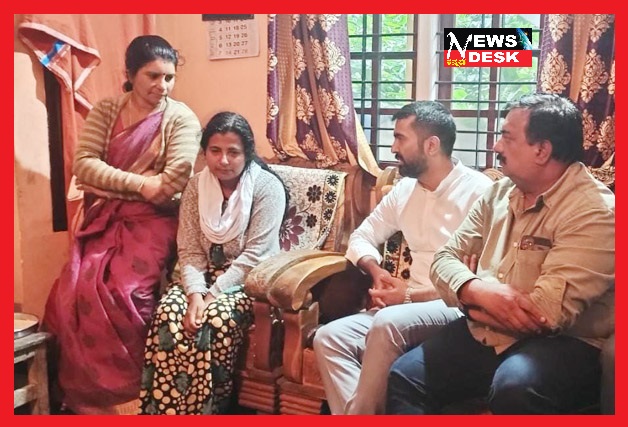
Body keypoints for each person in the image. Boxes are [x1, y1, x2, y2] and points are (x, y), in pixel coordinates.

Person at [386, 93, 615, 414]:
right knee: (404, 376)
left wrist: (464, 299)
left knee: (515, 387)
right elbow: (444, 260)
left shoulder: (595, 212)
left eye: (507, 137)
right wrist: (476, 289)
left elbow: (545, 315)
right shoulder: (498, 193)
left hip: (567, 342)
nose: (496, 146)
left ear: (541, 150)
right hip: (487, 332)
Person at [42, 35, 201, 414]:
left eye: (169, 77)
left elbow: (171, 185)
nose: (162, 86)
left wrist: (107, 183)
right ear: (129, 74)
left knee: (126, 293)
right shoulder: (107, 110)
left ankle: (131, 398)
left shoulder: (181, 118)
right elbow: (83, 165)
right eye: (152, 76)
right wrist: (140, 184)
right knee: (70, 290)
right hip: (104, 218)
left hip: (154, 222)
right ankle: (85, 400)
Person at [313, 101, 494, 414]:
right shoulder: (404, 190)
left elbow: (482, 279)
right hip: (406, 306)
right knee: (329, 337)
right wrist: (376, 271)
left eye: (400, 138)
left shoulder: (480, 192)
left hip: (452, 306)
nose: (392, 147)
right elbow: (361, 237)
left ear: (431, 145)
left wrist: (408, 295)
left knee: (387, 322)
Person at [138, 111, 288, 415]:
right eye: (215, 151)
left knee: (214, 319)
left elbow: (255, 256)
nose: (223, 160)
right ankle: (165, 412)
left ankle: (208, 411)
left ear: (247, 153)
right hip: (200, 277)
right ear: (204, 152)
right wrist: (195, 294)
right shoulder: (195, 187)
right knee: (168, 313)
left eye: (233, 152)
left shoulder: (267, 188)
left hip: (248, 282)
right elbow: (190, 249)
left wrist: (210, 298)